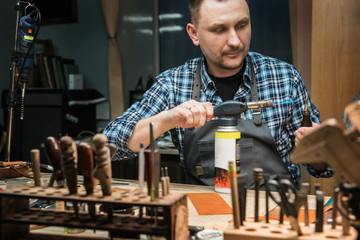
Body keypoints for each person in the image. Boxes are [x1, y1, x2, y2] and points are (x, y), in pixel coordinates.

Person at [103, 0, 332, 188]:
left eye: (242, 25)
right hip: (206, 218)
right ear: (194, 34)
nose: (235, 41)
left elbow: (322, 168)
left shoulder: (285, 77)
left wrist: (319, 152)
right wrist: (168, 119)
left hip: (276, 214)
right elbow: (110, 144)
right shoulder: (173, 84)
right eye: (220, 29)